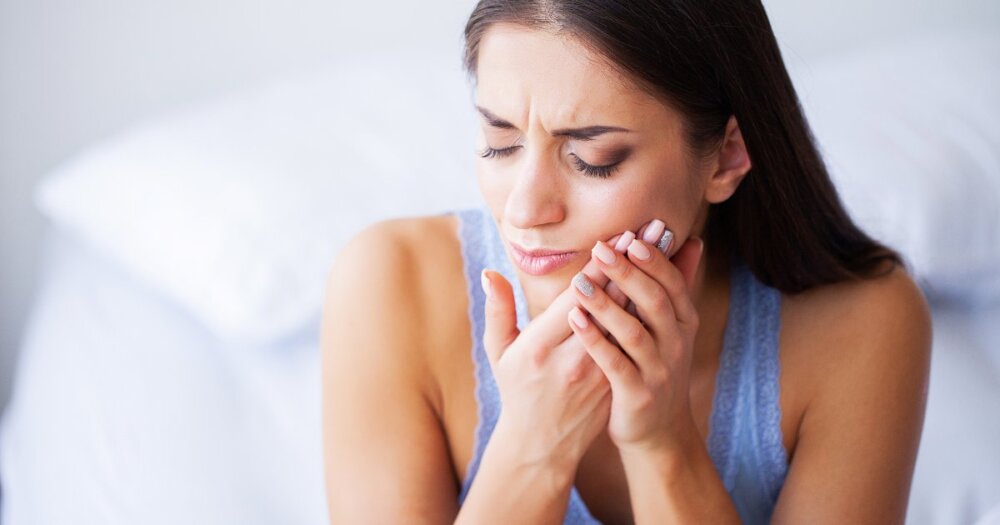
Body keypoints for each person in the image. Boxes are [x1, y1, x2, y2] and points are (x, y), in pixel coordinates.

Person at [320, 1, 932, 523]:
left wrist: (663, 444)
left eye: (594, 158)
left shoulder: (862, 322)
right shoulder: (387, 283)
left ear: (726, 156)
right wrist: (534, 443)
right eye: (499, 144)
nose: (526, 209)